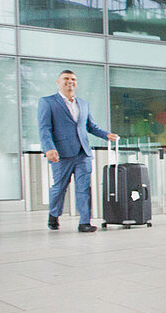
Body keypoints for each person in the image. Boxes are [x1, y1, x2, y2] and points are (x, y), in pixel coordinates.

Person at [37, 70, 119, 233]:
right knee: (59, 187)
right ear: (58, 82)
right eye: (66, 79)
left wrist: (106, 135)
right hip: (61, 153)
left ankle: (84, 222)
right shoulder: (47, 102)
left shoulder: (83, 104)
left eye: (73, 79)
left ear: (77, 83)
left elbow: (90, 126)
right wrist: (49, 149)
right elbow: (44, 128)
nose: (70, 81)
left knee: (84, 188)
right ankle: (54, 214)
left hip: (83, 153)